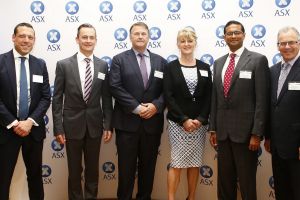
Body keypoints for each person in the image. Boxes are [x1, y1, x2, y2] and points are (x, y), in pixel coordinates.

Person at [209, 20, 270, 200]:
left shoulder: (258, 60)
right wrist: (213, 128)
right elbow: (215, 98)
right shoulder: (219, 63)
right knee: (224, 183)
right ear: (224, 37)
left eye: (237, 32)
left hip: (246, 135)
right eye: (229, 33)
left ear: (244, 35)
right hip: (222, 134)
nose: (233, 36)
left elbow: (261, 100)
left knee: (247, 183)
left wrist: (257, 133)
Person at [52, 23, 113, 200]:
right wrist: (58, 128)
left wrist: (108, 124)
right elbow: (57, 99)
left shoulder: (102, 65)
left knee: (93, 169)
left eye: (91, 37)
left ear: (96, 40)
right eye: (84, 37)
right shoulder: (63, 65)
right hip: (71, 126)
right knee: (74, 170)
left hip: (95, 126)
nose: (88, 40)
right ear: (77, 39)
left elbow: (107, 98)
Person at [109, 22, 167, 200]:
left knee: (148, 169)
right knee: (126, 169)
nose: (140, 36)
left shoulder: (161, 61)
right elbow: (115, 87)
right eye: (136, 34)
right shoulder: (119, 59)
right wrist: (138, 108)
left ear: (149, 37)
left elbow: (167, 90)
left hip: (152, 124)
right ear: (130, 37)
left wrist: (156, 106)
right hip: (127, 124)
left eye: (143, 34)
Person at [0, 22, 51, 200]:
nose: (26, 40)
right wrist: (14, 123)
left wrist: (29, 122)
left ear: (34, 40)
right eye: (22, 36)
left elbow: (46, 97)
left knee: (36, 177)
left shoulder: (40, 64)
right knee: (3, 178)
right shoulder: (0, 61)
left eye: (30, 37)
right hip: (6, 130)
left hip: (33, 130)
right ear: (13, 38)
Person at [164, 27, 212, 200]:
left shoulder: (205, 67)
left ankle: (191, 197)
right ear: (178, 44)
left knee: (194, 163)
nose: (186, 44)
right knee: (176, 163)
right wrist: (184, 120)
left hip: (199, 126)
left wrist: (200, 119)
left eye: (190, 40)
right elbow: (169, 97)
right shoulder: (170, 68)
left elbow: (209, 97)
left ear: (195, 43)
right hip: (178, 125)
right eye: (183, 41)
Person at [264, 26, 300, 200]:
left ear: (298, 43)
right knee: (282, 190)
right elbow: (272, 107)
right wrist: (268, 137)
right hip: (277, 146)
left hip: (297, 146)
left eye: (291, 42)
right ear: (278, 46)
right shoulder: (272, 71)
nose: (287, 46)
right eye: (282, 43)